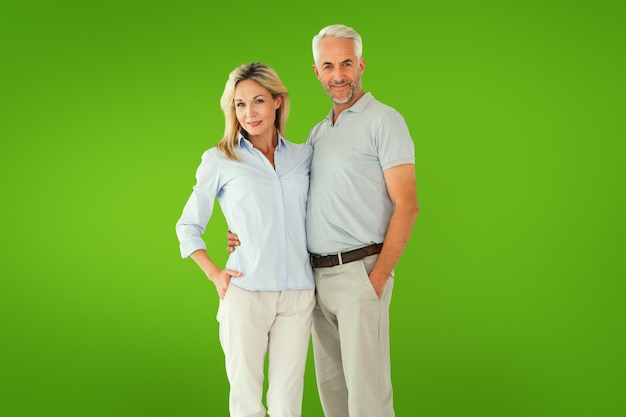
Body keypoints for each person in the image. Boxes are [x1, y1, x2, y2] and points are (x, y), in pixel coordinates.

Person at [229, 24, 419, 416]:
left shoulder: (385, 122)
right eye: (328, 65)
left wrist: (377, 279)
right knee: (333, 392)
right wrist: (245, 232)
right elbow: (293, 199)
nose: (338, 75)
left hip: (360, 274)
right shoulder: (317, 134)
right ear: (316, 72)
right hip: (315, 279)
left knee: (368, 395)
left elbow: (408, 205)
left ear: (361, 64)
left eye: (346, 63)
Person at [176, 62, 316, 417]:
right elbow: (188, 225)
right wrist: (214, 272)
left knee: (288, 406)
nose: (249, 113)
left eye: (258, 101)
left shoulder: (304, 157)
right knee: (247, 404)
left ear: (278, 102)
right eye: (240, 104)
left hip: (299, 294)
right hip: (247, 292)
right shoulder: (221, 159)